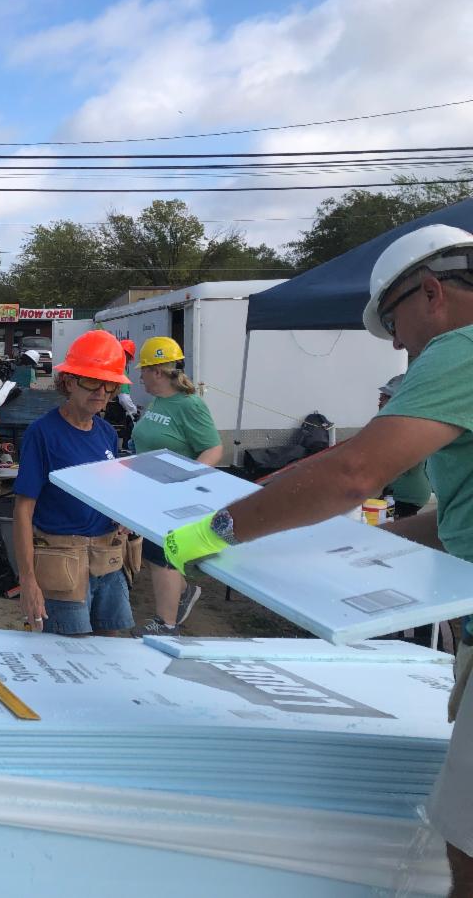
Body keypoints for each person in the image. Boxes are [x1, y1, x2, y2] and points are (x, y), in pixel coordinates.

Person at [159, 223, 473, 895]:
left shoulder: (462, 347)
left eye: (393, 323)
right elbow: (454, 527)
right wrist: (353, 545)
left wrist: (213, 531)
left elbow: (352, 473)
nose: (398, 345)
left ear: (431, 292)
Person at [13, 330, 134, 636]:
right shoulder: (42, 433)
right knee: (70, 650)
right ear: (68, 381)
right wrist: (27, 579)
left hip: (107, 560)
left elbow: (112, 492)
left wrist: (124, 516)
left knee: (111, 647)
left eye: (109, 384)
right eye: (92, 381)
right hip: (62, 560)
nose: (102, 391)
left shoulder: (107, 433)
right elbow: (23, 511)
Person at [129, 335, 223, 636]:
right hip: (151, 492)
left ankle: (166, 625)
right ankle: (182, 593)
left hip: (172, 496)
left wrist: (187, 481)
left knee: (163, 556)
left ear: (157, 371)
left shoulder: (189, 405)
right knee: (153, 552)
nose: (140, 377)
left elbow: (213, 448)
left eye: (143, 370)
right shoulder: (159, 401)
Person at [378, 373, 432, 518]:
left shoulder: (410, 427)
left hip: (407, 497)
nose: (380, 399)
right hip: (392, 495)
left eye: (387, 396)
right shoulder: (387, 423)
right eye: (382, 395)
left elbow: (404, 464)